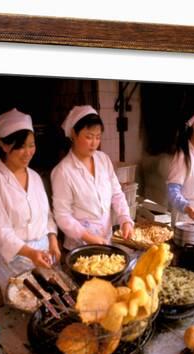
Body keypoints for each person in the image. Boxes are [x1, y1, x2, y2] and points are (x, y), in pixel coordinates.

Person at [0, 108, 60, 295]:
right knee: (21, 306)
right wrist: (30, 253)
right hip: (14, 260)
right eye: (20, 146)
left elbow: (46, 216)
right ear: (5, 146)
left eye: (31, 145)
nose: (28, 152)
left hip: (43, 256)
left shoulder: (36, 177)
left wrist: (53, 240)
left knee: (48, 304)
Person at [51, 105, 134, 250]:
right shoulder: (63, 172)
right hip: (79, 246)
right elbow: (62, 216)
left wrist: (125, 219)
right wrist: (87, 237)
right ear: (73, 134)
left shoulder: (103, 160)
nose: (94, 143)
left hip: (105, 239)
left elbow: (116, 194)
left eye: (98, 137)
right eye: (88, 137)